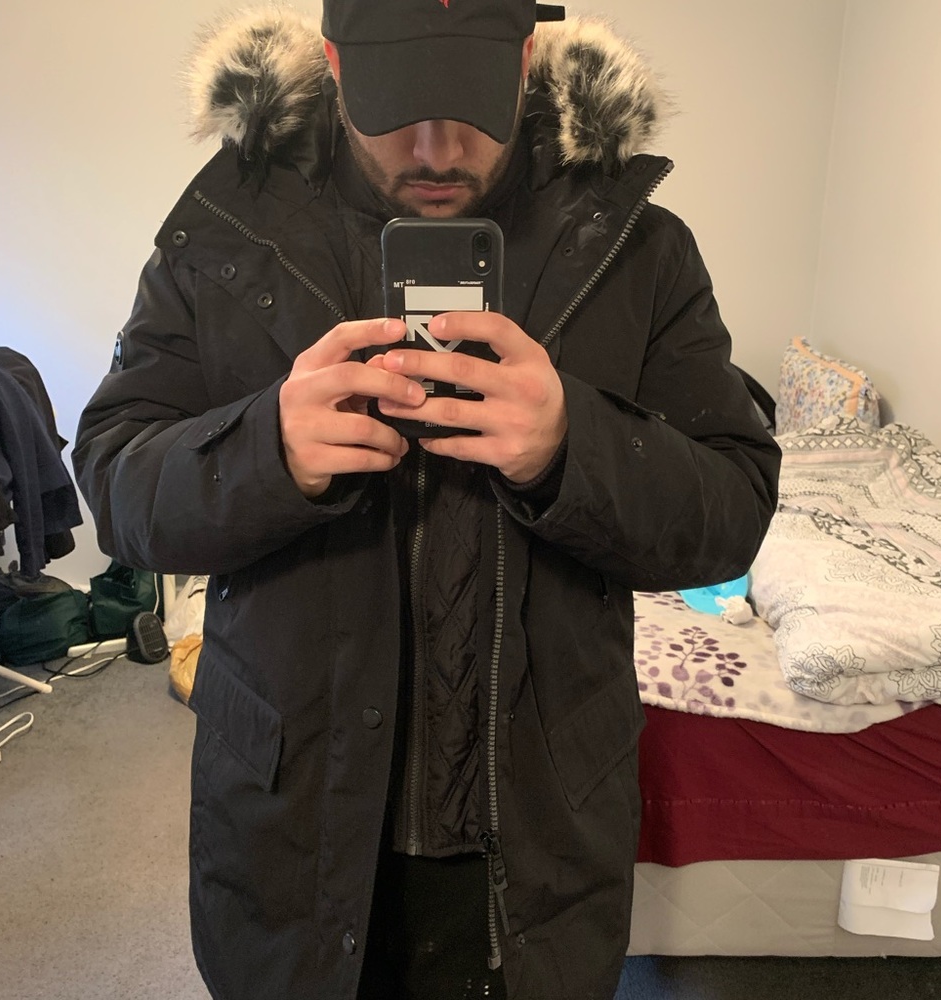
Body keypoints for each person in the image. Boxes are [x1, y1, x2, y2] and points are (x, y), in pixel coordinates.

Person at [73, 2, 780, 998]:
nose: (437, 150)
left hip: (533, 838)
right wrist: (267, 449)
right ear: (334, 62)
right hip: (290, 822)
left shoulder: (635, 247)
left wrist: (573, 448)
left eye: (470, 107)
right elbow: (115, 481)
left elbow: (734, 507)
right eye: (401, 107)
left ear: (523, 60)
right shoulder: (226, 234)